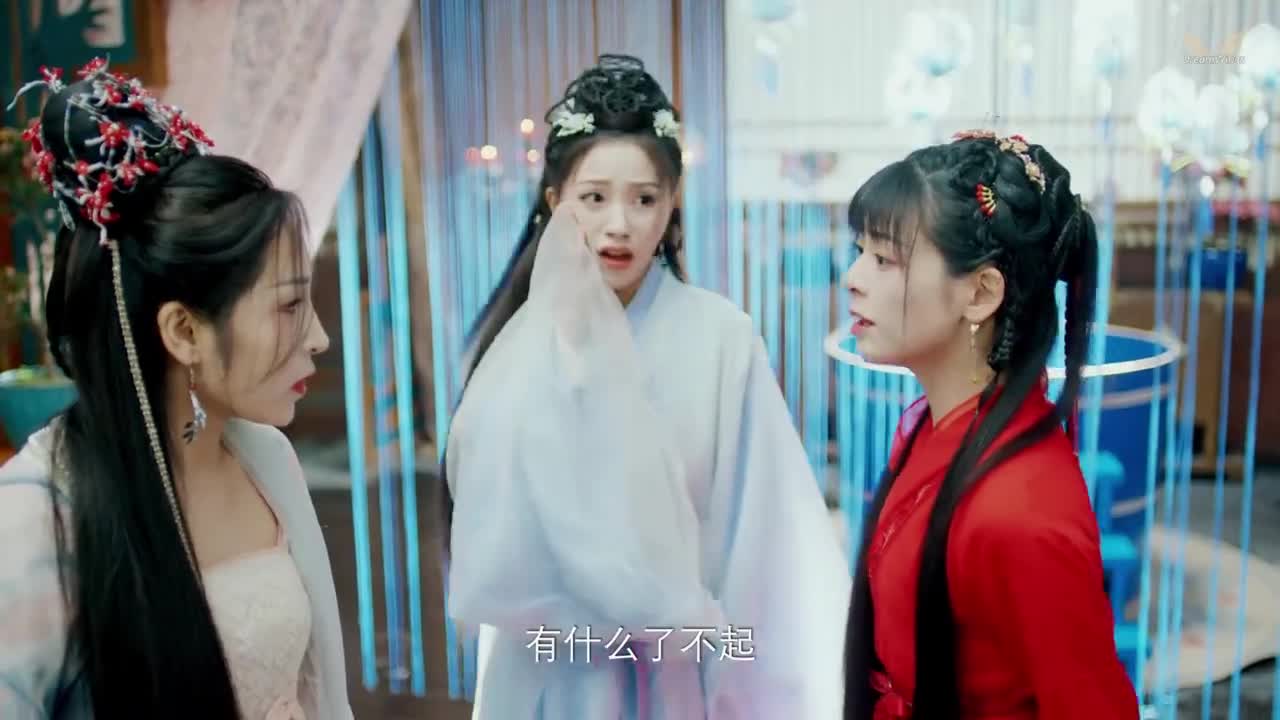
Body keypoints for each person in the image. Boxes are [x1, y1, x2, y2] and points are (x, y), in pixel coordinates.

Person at [441, 54, 849, 718]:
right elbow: (498, 563)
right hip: (545, 678)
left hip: (677, 678)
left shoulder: (721, 339)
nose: (620, 224)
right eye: (594, 197)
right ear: (555, 202)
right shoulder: (518, 347)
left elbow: (764, 544)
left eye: (644, 198)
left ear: (672, 202)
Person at [0, 60, 352, 719]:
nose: (318, 338)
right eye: (288, 307)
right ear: (184, 331)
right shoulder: (37, 518)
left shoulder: (266, 457)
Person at [839, 131, 1139, 719]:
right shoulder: (939, 431)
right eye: (859, 251)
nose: (853, 276)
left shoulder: (1020, 512)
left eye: (884, 259)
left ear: (980, 293)